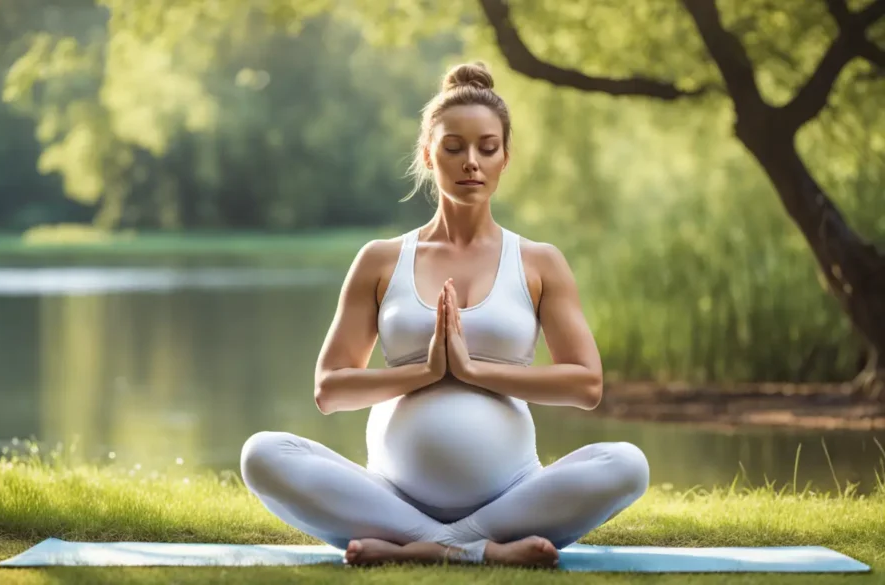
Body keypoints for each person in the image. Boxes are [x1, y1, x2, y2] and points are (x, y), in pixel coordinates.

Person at [240, 61, 649, 567]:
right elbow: (330, 389)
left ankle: (423, 550)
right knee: (262, 453)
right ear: (428, 156)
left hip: (512, 496)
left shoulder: (540, 262)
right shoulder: (381, 259)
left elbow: (586, 386)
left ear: (505, 157)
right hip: (388, 497)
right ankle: (478, 550)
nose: (471, 161)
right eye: (453, 147)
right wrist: (427, 372)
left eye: (487, 147)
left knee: (627, 464)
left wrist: (473, 370)